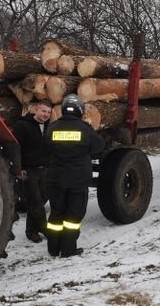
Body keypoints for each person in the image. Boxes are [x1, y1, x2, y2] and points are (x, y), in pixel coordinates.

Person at [44, 94, 104, 258]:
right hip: (78, 180)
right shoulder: (85, 129)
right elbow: (99, 146)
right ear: (80, 110)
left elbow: (45, 147)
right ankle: (68, 249)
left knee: (56, 213)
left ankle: (53, 248)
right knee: (73, 215)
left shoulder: (52, 128)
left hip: (56, 179)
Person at [12, 100, 52, 243]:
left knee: (39, 201)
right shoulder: (22, 126)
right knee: (35, 202)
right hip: (28, 171)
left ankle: (31, 231)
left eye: (48, 112)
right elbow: (15, 149)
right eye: (43, 111)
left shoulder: (50, 126)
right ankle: (44, 228)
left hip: (44, 169)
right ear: (35, 110)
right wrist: (18, 168)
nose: (46, 114)